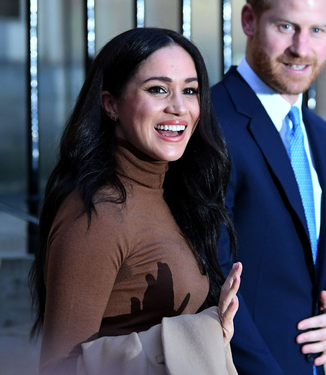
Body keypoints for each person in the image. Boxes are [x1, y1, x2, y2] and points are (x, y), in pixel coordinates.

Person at [28, 27, 243, 375]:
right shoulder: (97, 215)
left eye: (190, 91)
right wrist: (188, 337)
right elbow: (58, 368)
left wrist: (210, 334)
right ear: (111, 104)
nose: (178, 107)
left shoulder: (172, 193)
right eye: (157, 89)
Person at [210, 0, 326, 375]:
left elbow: (307, 261)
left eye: (316, 29)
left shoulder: (319, 134)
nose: (301, 47)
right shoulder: (211, 122)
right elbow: (209, 274)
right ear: (250, 20)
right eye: (285, 26)